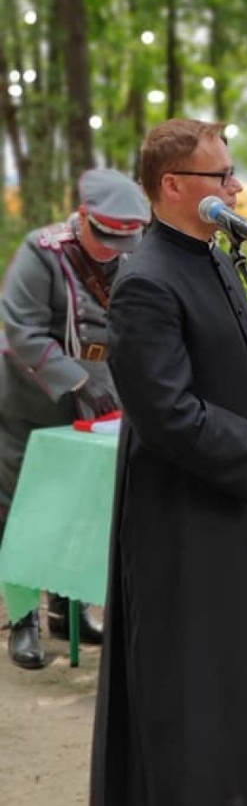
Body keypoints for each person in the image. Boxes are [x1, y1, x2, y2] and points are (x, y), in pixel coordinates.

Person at [89, 118, 247, 806]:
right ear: (175, 186)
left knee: (240, 677)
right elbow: (167, 416)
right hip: (183, 526)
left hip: (234, 508)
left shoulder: (215, 258)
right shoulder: (146, 282)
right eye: (222, 177)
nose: (236, 187)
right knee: (195, 692)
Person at [0, 168, 150, 669]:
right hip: (30, 401)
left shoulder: (133, 252)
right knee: (21, 507)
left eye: (121, 240)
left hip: (101, 402)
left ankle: (72, 610)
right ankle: (24, 620)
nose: (111, 250)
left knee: (84, 505)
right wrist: (80, 381)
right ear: (83, 218)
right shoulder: (42, 251)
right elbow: (20, 330)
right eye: (103, 237)